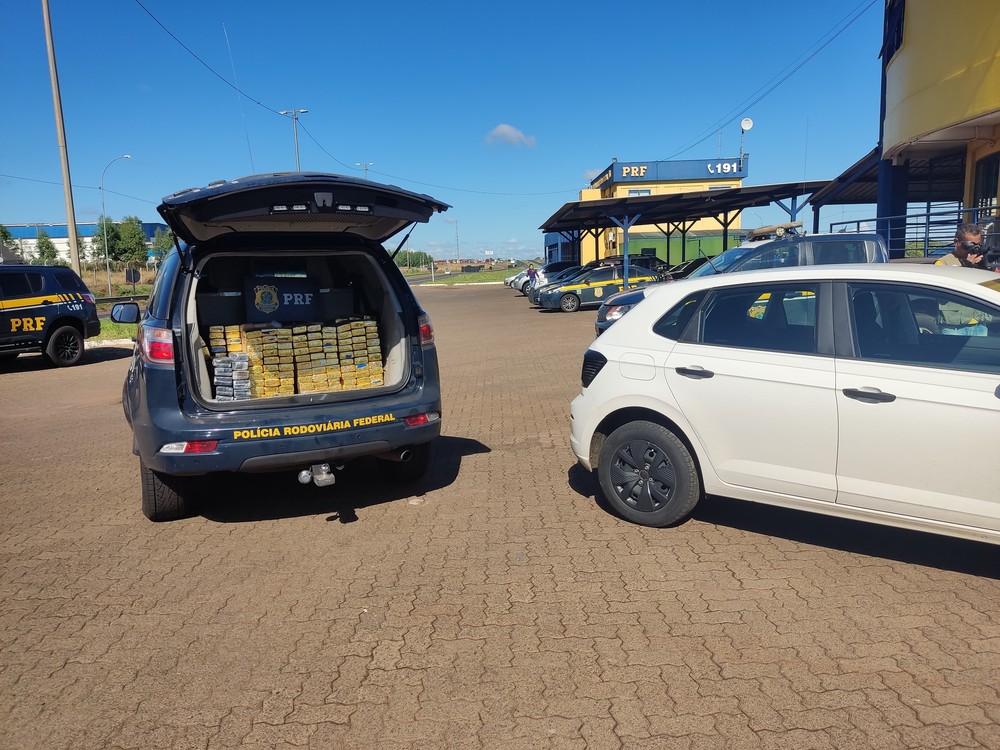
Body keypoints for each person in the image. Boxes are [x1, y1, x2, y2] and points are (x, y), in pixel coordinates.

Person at [935, 223, 991, 335]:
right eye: (970, 245)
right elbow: (941, 292)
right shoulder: (943, 263)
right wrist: (966, 266)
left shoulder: (979, 261)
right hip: (954, 327)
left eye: (977, 245)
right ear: (957, 242)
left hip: (979, 324)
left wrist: (986, 268)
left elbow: (990, 289)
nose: (974, 248)